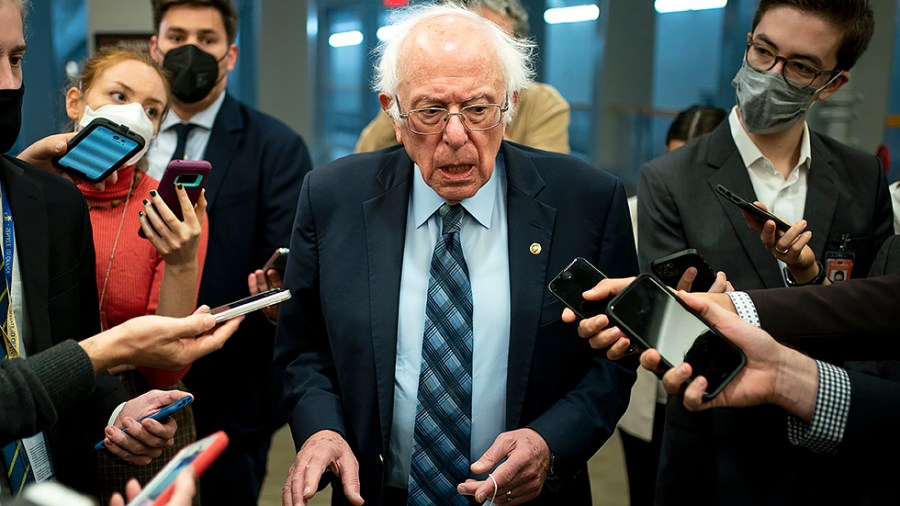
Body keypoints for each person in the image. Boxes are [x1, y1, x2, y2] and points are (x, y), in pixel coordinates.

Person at [275, 4, 638, 505]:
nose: (455, 135)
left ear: (509, 105)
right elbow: (303, 347)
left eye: (478, 108)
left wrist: (550, 443)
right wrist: (321, 429)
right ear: (393, 114)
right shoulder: (331, 197)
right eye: (429, 112)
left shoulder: (587, 203)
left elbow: (614, 361)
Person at [632, 2, 892, 503]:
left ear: (832, 84)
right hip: (715, 458)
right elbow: (665, 336)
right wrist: (702, 315)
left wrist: (805, 278)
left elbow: (877, 326)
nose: (771, 74)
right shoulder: (670, 179)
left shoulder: (862, 178)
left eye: (798, 66)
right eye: (763, 51)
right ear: (748, 42)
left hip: (833, 462)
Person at [0, 0, 189, 498]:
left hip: (54, 478)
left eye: (15, 60)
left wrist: (116, 409)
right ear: (76, 101)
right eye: (119, 95)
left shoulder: (51, 202)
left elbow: (67, 345)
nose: (6, 82)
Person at [145, 1, 313, 502]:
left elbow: (287, 271)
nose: (190, 50)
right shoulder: (123, 139)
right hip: (121, 393)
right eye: (176, 37)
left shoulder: (276, 147)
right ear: (155, 47)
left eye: (207, 38)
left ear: (231, 54)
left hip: (229, 402)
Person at [59, 44, 210, 503]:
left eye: (152, 110)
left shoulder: (170, 212)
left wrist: (183, 258)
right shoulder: (36, 193)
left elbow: (166, 370)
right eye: (118, 96)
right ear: (76, 102)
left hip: (142, 417)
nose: (135, 117)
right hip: (49, 397)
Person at [620, 103, 726, 506]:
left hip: (713, 391)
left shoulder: (739, 228)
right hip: (648, 396)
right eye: (671, 158)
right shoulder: (632, 212)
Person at [353, 0, 571, 155]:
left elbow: (545, 177)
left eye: (491, 43)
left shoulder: (543, 103)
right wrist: (410, 107)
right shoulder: (418, 98)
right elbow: (366, 156)